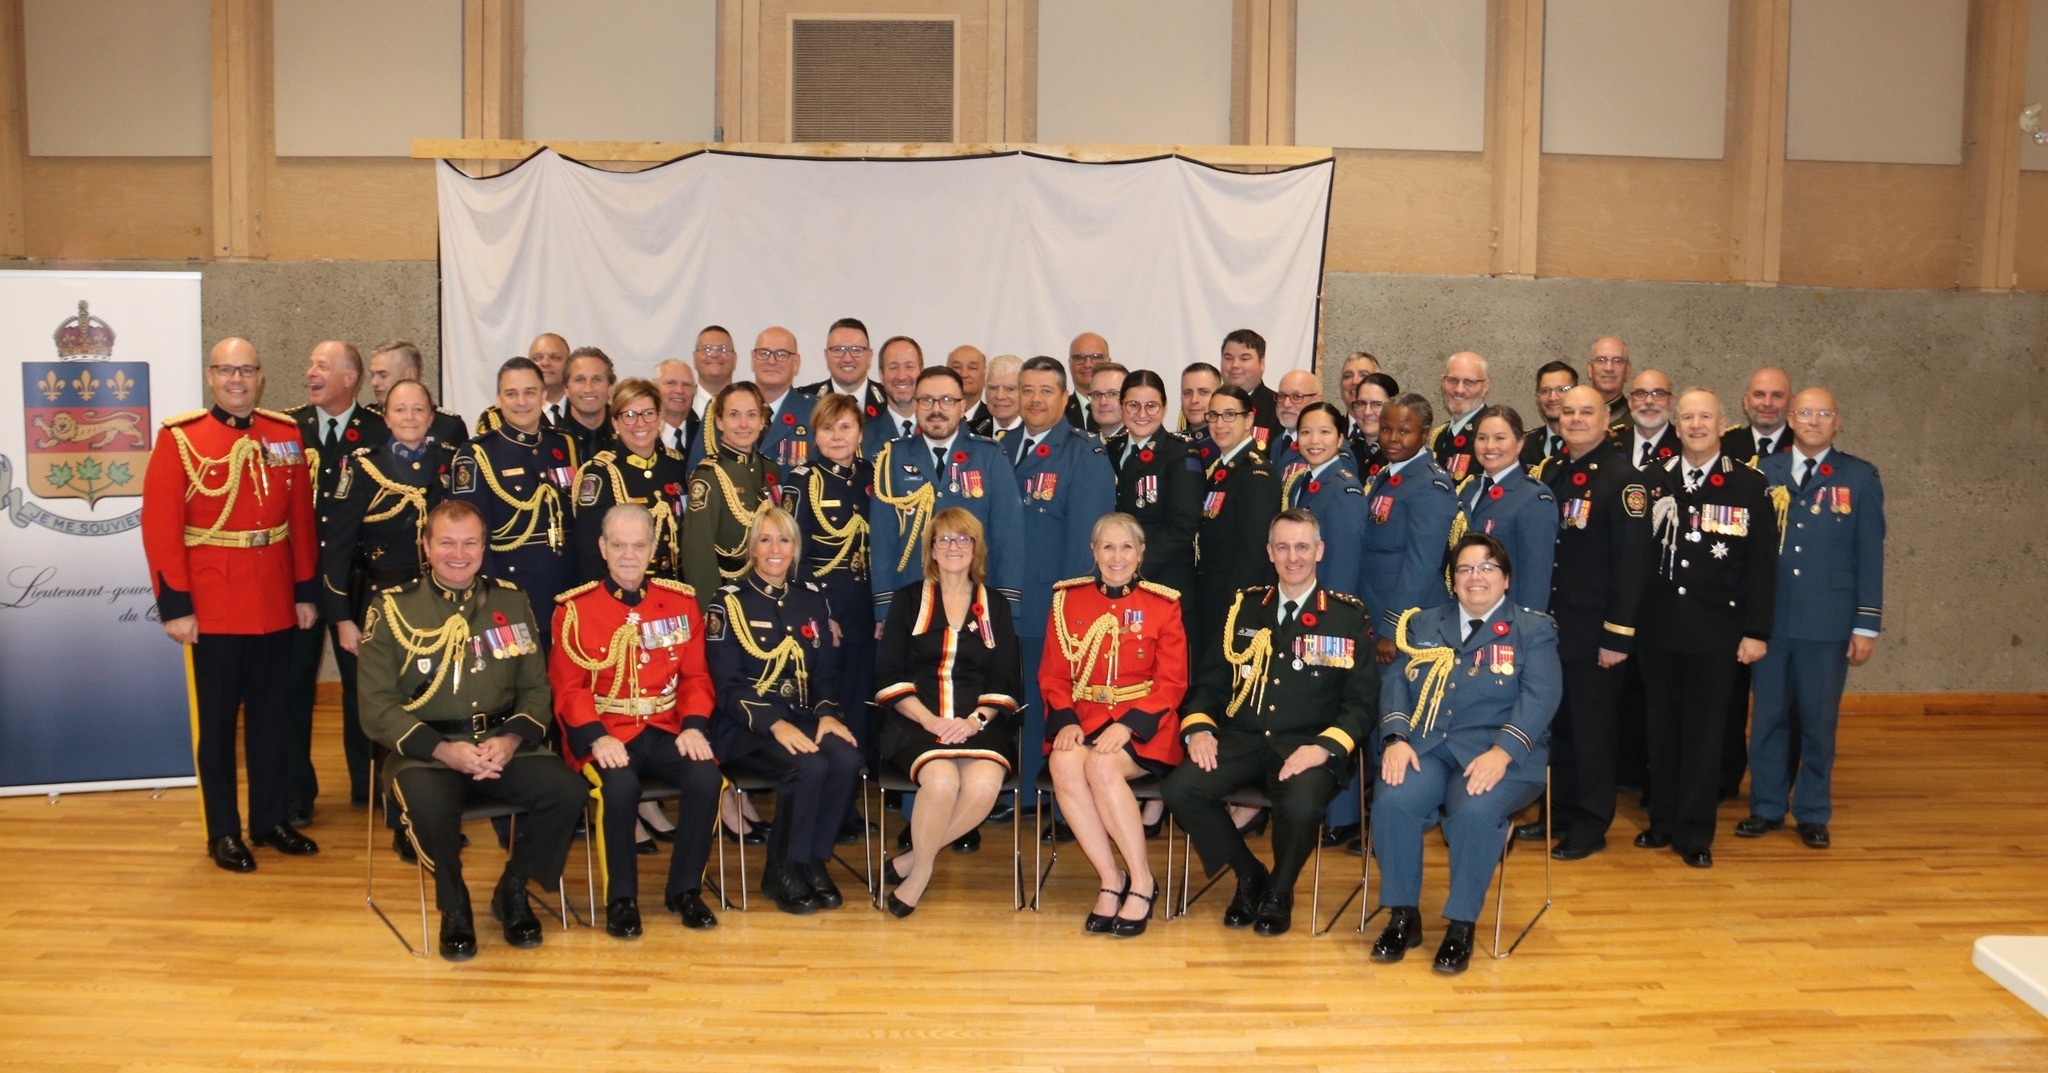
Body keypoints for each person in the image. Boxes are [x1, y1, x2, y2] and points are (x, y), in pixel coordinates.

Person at [357, 500, 587, 960]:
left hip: (505, 748)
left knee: (568, 791)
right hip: (426, 752)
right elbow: (376, 708)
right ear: (426, 547)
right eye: (446, 542)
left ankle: (514, 887)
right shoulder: (392, 608)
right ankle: (454, 903)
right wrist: (444, 751)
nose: (458, 554)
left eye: (469, 543)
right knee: (428, 807)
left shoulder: (510, 599)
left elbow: (537, 690)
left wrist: (510, 739)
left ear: (485, 546)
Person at [141, 337, 321, 872]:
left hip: (274, 602)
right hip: (214, 605)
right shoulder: (180, 439)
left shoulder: (285, 434)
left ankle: (268, 820)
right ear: (210, 375)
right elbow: (161, 528)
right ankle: (223, 830)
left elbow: (302, 525)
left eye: (246, 370)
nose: (237, 380)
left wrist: (305, 592)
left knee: (273, 721)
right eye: (227, 370)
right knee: (217, 728)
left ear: (261, 376)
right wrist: (175, 605)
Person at [1162, 510, 1377, 937]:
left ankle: (1280, 890)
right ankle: (1249, 873)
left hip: (1307, 746)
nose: (1292, 557)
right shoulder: (1243, 609)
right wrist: (1199, 727)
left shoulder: (1346, 617)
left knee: (1299, 806)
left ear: (1319, 551)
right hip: (1243, 740)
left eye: (1301, 547)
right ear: (1269, 552)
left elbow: (1362, 704)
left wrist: (1324, 748)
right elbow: (1210, 683)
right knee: (1180, 789)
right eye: (1282, 547)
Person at [1370, 534, 1560, 974]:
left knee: (1473, 812)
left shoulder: (1532, 628)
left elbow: (1542, 697)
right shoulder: (1424, 624)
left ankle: (1460, 926)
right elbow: (1397, 681)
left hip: (1501, 753)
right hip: (1430, 745)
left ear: (1506, 579)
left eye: (1487, 568)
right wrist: (1396, 738)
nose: (1476, 577)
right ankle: (1403, 915)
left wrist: (1504, 751)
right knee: (1394, 799)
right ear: (1452, 581)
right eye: (1465, 569)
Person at [550, 504, 722, 937]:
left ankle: (685, 890)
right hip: (605, 731)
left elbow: (696, 676)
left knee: (706, 779)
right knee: (620, 786)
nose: (629, 555)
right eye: (619, 545)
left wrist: (694, 726)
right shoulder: (574, 610)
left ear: (653, 549)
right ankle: (621, 899)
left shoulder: (681, 602)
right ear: (603, 548)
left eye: (639, 545)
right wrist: (595, 737)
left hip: (665, 727)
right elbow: (568, 688)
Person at [1635, 389, 1777, 869]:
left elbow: (1761, 568)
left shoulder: (1748, 486)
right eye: (1688, 417)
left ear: (1722, 426)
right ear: (1676, 426)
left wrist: (1757, 631)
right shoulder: (1651, 482)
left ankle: (1695, 832)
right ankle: (1663, 821)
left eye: (1705, 418)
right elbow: (1635, 562)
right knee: (1661, 729)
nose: (1696, 425)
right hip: (1658, 631)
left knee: (1704, 734)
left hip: (1717, 634)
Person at [1740, 388, 1884, 850]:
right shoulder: (1765, 472)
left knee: (1818, 722)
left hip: (1828, 623)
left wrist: (1866, 623)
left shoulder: (1859, 477)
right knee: (1767, 718)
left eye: (1823, 414)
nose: (1814, 420)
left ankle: (1813, 810)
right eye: (1805, 412)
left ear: (1837, 422)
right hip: (1773, 621)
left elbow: (1870, 555)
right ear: (1792, 419)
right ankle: (1765, 807)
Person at [705, 507, 861, 914]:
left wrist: (827, 713)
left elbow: (827, 671)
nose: (775, 549)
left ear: (795, 549)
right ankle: (781, 869)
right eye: (766, 539)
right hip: (747, 726)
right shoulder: (727, 602)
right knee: (807, 767)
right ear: (752, 548)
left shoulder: (811, 598)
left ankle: (812, 859)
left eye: (784, 540)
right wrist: (775, 725)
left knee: (846, 760)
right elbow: (727, 685)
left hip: (805, 717)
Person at [1041, 513, 1187, 937]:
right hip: (1085, 717)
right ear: (1093, 551)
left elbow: (1173, 682)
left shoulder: (1163, 605)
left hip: (1146, 725)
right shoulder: (1067, 600)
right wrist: (1065, 718)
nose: (1117, 556)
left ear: (1141, 553)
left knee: (1101, 767)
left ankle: (1141, 881)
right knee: (1065, 764)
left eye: (1127, 547)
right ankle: (1111, 878)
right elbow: (1053, 674)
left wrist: (1128, 725)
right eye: (1108, 546)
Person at [1523, 386, 1652, 859]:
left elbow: (1633, 565)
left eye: (1586, 412)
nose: (1575, 419)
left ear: (1606, 420)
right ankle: (1556, 812)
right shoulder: (1554, 471)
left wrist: (1617, 635)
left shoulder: (1623, 481)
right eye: (1568, 411)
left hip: (1594, 629)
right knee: (1558, 726)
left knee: (1594, 730)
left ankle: (1591, 824)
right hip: (1553, 627)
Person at [874, 508, 1025, 915]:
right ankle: (922, 873)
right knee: (940, 782)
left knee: (982, 787)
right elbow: (888, 672)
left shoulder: (996, 604)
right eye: (944, 540)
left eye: (963, 539)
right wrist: (930, 719)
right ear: (932, 550)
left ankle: (912, 861)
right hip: (918, 719)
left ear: (976, 549)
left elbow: (1007, 678)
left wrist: (975, 721)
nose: (954, 547)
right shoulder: (907, 600)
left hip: (979, 722)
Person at [321, 378, 455, 814]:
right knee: (376, 701)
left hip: (435, 600)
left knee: (432, 695)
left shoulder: (451, 464)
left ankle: (433, 794)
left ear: (432, 417)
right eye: (401, 410)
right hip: (378, 603)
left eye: (419, 410)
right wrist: (342, 618)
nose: (410, 418)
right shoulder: (361, 467)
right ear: (385, 416)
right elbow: (336, 546)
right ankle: (375, 791)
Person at [1008, 356, 1118, 808]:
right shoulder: (999, 446)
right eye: (1027, 390)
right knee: (1008, 697)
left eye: (1045, 391)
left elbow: (1086, 543)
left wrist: (1070, 609)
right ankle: (1007, 785)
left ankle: (1044, 796)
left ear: (1066, 397)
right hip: (999, 601)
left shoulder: (1084, 452)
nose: (1034, 400)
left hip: (1048, 602)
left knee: (1043, 698)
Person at [287, 339, 388, 822]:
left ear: (351, 378)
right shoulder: (288, 429)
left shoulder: (378, 428)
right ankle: (295, 793)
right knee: (293, 686)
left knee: (363, 688)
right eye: (310, 364)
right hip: (300, 580)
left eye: (321, 365)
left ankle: (368, 786)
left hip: (358, 580)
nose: (311, 372)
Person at [869, 366, 1024, 621]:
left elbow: (1008, 537)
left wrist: (1006, 606)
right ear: (916, 406)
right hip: (911, 601)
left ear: (962, 407)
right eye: (927, 400)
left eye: (947, 400)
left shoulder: (989, 456)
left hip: (977, 601)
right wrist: (884, 609)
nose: (936, 409)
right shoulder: (892, 458)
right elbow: (882, 540)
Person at [447, 357, 581, 641]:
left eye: (530, 392)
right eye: (511, 393)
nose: (521, 401)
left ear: (544, 394)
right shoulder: (477, 455)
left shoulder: (563, 444)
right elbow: (471, 536)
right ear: (499, 399)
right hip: (512, 590)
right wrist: (492, 599)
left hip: (566, 588)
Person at [779, 393, 877, 773]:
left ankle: (856, 785)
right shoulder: (802, 481)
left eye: (845, 427)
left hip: (865, 604)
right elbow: (792, 554)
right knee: (829, 698)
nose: (836, 436)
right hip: (825, 606)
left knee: (861, 697)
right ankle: (837, 798)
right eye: (827, 428)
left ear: (859, 433)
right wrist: (821, 613)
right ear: (814, 436)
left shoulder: (872, 477)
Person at [1105, 370, 1204, 644]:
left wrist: (1131, 565)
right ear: (1121, 406)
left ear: (1165, 407)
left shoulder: (1181, 454)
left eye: (1152, 406)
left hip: (1163, 583)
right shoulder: (1106, 451)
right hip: (1113, 582)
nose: (1142, 413)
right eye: (1133, 405)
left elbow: (1182, 527)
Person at [1359, 395, 1459, 662]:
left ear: (1424, 435)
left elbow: (1422, 564)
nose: (1392, 438)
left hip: (1407, 620)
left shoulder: (1430, 485)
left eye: (1404, 431)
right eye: (1386, 429)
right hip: (1374, 606)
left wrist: (1392, 628)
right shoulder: (1387, 475)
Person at [569, 378, 689, 585]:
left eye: (649, 414)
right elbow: (590, 551)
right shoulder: (600, 473)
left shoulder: (674, 465)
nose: (640, 423)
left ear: (660, 417)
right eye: (629, 415)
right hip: (625, 589)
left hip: (672, 587)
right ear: (615, 422)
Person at [1192, 384, 1282, 650]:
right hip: (1211, 597)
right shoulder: (1220, 469)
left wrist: (1237, 609)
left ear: (1249, 419)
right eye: (1214, 415)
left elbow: (1253, 554)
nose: (1220, 424)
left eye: (1230, 415)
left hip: (1233, 604)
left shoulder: (1256, 474)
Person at [683, 382, 777, 597]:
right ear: (719, 421)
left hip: (769, 592)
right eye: (734, 415)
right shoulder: (708, 476)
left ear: (762, 420)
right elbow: (698, 553)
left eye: (752, 415)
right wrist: (712, 610)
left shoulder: (771, 471)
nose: (743, 424)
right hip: (729, 594)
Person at [1461, 405, 1556, 608]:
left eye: (1500, 438)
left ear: (1520, 443)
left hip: (1506, 621)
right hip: (1464, 611)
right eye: (1482, 438)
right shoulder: (1468, 490)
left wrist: (1526, 631)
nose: (1490, 447)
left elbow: (1536, 577)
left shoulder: (1534, 497)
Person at [1282, 402, 1367, 601]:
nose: (1314, 441)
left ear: (1339, 440)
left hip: (1325, 604)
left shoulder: (1345, 491)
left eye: (1324, 432)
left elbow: (1344, 564)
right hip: (1302, 594)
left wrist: (1330, 611)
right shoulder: (1300, 482)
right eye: (1305, 432)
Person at [367, 338, 468, 445]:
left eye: (383, 375)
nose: (374, 382)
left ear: (411, 374)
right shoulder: (366, 423)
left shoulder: (448, 427)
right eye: (372, 375)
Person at [804, 316, 888, 419]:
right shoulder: (805, 401)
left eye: (856, 350)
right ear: (826, 355)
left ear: (869, 356)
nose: (847, 359)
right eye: (838, 350)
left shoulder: (889, 399)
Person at [1430, 351, 1491, 482]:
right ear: (1443, 382)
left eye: (1470, 382)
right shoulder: (1439, 436)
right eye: (1453, 380)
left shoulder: (1493, 435)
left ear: (1485, 387)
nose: (1459, 390)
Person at [1219, 329, 1282, 451]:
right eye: (1228, 358)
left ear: (1261, 363)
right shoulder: (1209, 406)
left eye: (1244, 358)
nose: (1235, 365)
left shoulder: (1278, 409)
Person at [863, 335, 926, 457]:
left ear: (921, 371)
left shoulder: (940, 429)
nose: (902, 376)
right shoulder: (863, 435)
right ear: (881, 374)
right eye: (893, 367)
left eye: (909, 366)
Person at [1613, 370, 1679, 472]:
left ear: (1671, 402)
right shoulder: (1612, 446)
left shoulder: (1685, 447)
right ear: (1630, 402)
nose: (1649, 401)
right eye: (1640, 394)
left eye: (1658, 394)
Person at [1520, 361, 1578, 465]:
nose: (1552, 398)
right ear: (1538, 396)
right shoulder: (1524, 445)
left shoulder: (1588, 442)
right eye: (1545, 391)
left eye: (1561, 390)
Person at [1349, 371, 1399, 477]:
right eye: (1361, 403)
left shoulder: (1400, 454)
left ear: (1394, 408)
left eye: (1376, 404)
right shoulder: (1347, 451)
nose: (1367, 412)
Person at [653, 358, 701, 458]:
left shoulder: (703, 436)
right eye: (670, 383)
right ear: (654, 389)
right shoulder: (642, 433)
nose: (679, 390)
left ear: (694, 392)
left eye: (686, 385)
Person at [1270, 369, 1322, 461]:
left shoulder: (1325, 448)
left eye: (1297, 396)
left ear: (1316, 401)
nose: (1286, 404)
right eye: (1281, 395)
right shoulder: (1277, 442)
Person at [1063, 332, 1109, 430]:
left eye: (1096, 357)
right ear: (1070, 364)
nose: (1087, 364)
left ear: (1108, 362)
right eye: (1079, 358)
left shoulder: (1126, 411)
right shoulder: (1057, 413)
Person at [691, 325, 738, 416]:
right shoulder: (681, 406)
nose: (714, 355)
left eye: (723, 349)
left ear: (735, 359)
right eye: (707, 349)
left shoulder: (750, 407)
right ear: (694, 358)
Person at [950, 344, 994, 436]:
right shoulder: (934, 417)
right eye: (957, 367)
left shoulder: (996, 420)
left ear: (984, 377)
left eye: (972, 368)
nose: (963, 374)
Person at [1587, 336, 1633, 425]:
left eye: (1617, 361)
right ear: (1590, 369)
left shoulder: (1637, 421)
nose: (1609, 368)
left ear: (1627, 370)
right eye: (1601, 360)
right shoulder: (1573, 418)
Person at [1179, 361, 1222, 455]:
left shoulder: (1229, 445)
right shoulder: (1171, 445)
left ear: (1219, 396)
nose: (1194, 400)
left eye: (1203, 392)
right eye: (1187, 393)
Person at [984, 354, 1023, 439]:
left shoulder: (1035, 433)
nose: (1000, 396)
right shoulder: (969, 431)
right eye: (993, 388)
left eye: (1010, 389)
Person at [1087, 362, 1128, 440]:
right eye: (1096, 394)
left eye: (1112, 394)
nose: (1103, 402)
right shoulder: (1085, 444)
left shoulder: (1140, 446)